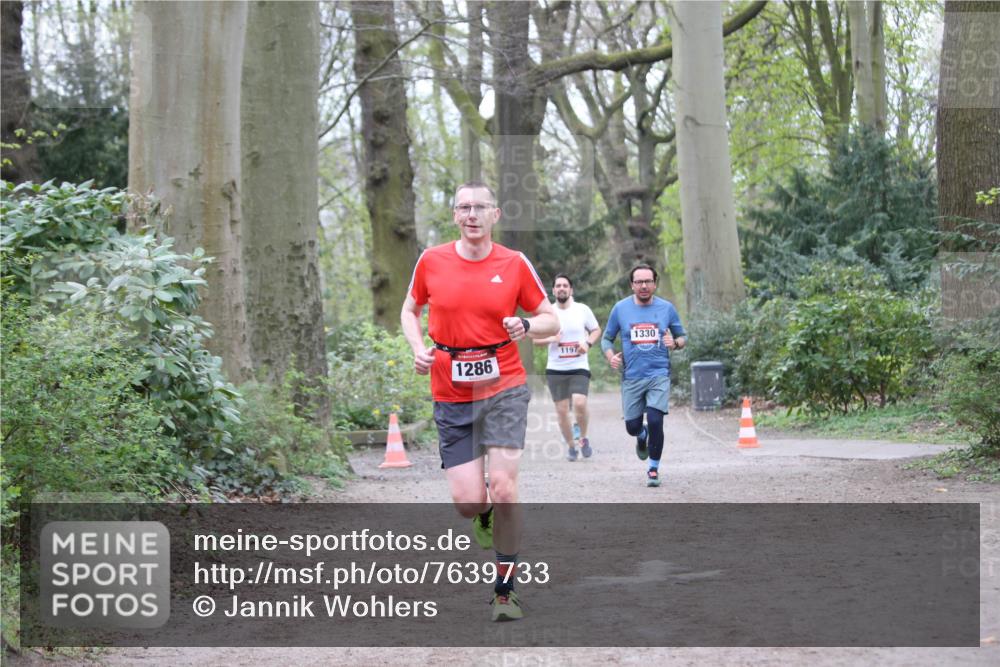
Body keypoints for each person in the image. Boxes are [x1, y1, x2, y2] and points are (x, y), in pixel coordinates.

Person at [400, 181, 558, 622]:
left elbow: (552, 320)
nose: (472, 214)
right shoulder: (431, 261)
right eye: (463, 207)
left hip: (504, 384)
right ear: (454, 215)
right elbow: (409, 310)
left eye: (480, 207)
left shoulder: (514, 263)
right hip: (450, 392)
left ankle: (504, 592)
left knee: (505, 486)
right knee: (469, 501)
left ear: (496, 214)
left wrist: (526, 326)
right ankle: (482, 513)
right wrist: (417, 347)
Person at [600, 264, 686, 487]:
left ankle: (653, 469)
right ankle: (641, 435)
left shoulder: (667, 308)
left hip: (659, 374)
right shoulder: (620, 309)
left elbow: (682, 336)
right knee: (632, 426)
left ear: (655, 283)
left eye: (648, 281)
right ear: (632, 285)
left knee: (657, 420)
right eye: (639, 282)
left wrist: (674, 343)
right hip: (632, 377)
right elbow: (606, 339)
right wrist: (611, 357)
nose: (644, 286)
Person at [533, 274, 601, 461]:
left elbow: (596, 330)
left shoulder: (582, 310)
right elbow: (536, 339)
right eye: (558, 286)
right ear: (553, 291)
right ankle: (572, 445)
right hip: (556, 368)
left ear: (571, 290)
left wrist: (587, 344)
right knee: (562, 411)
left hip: (578, 365)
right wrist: (551, 339)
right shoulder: (548, 314)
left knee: (580, 403)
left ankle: (584, 438)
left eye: (565, 285)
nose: (561, 288)